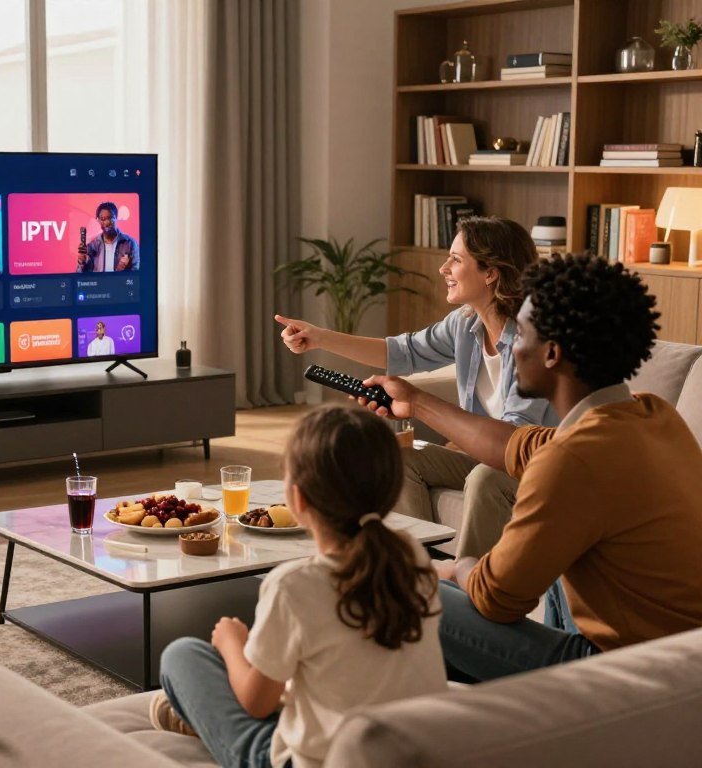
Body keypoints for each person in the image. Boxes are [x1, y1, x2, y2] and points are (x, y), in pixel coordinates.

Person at [365, 254, 702, 682]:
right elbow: (511, 444)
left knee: (399, 588)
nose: (511, 345)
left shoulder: (572, 462)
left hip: (624, 672)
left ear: (552, 353)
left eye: (519, 334)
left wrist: (447, 568)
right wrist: (415, 401)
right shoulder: (652, 416)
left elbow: (495, 599)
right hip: (680, 655)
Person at [151, 404, 447, 768]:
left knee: (181, 655)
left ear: (296, 499)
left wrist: (232, 643)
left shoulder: (293, 585)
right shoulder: (411, 555)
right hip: (413, 750)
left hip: (323, 761)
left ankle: (198, 719)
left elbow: (256, 704)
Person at [277, 216, 557, 559]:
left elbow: (513, 444)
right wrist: (318, 337)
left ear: (490, 273)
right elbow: (401, 352)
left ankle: (467, 584)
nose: (443, 268)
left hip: (537, 465)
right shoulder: (465, 324)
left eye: (456, 259)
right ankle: (415, 568)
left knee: (485, 477)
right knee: (399, 458)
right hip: (487, 457)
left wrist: (422, 406)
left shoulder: (533, 340)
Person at [77, 202, 139, 272]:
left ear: (116, 217)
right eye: (103, 219)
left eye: (110, 218)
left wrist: (124, 271)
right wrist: (81, 262)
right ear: (98, 220)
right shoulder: (92, 246)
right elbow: (80, 275)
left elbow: (137, 272)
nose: (107, 222)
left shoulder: (131, 244)